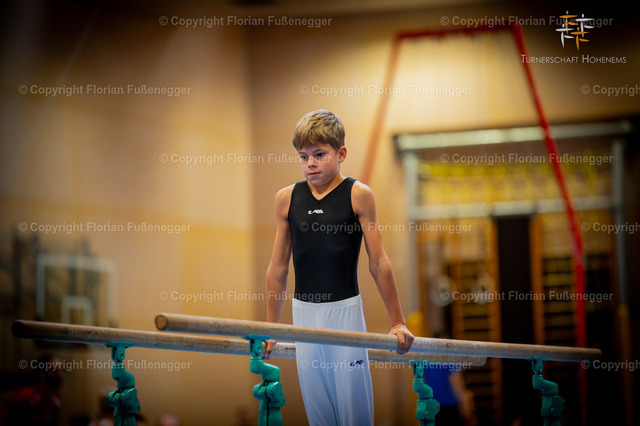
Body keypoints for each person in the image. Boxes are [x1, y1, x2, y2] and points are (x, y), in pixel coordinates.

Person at [263, 109, 414, 425]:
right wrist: (271, 328)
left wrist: (398, 322)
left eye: (320, 155)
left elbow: (378, 262)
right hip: (303, 314)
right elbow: (278, 268)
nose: (311, 163)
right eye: (304, 157)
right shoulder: (286, 198)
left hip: (345, 312)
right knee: (318, 412)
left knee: (353, 411)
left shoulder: (358, 195)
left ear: (341, 153)